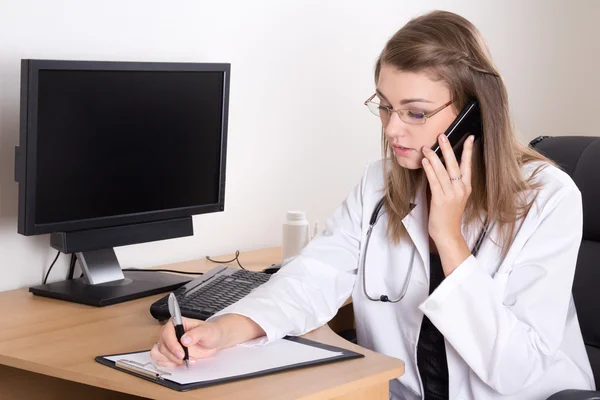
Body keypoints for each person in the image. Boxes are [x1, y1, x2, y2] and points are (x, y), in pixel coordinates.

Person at [151, 10, 595, 399]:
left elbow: (516, 370)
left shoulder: (547, 199)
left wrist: (449, 238)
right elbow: (313, 277)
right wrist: (222, 330)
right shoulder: (379, 186)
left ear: (473, 114)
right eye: (384, 107)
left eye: (414, 113)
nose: (392, 130)